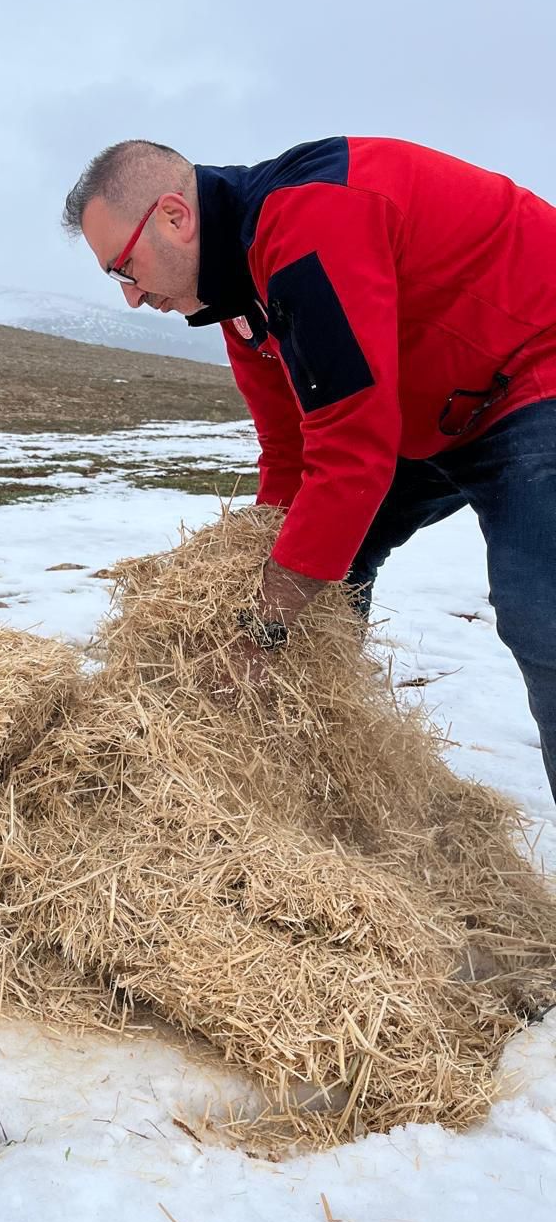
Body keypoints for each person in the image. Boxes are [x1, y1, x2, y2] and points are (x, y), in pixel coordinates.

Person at [62, 136, 556, 799]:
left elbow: (352, 447)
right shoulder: (238, 300)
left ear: (175, 216)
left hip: (532, 365)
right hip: (435, 406)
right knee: (326, 555)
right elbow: (292, 450)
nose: (130, 295)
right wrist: (261, 560)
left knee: (538, 609)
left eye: (125, 268)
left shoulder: (308, 223)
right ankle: (317, 753)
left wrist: (262, 628)